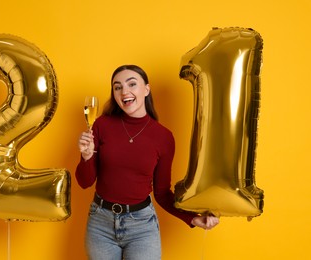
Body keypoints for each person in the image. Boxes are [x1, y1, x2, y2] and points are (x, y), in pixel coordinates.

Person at [76, 64, 219, 260]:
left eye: (132, 84)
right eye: (117, 87)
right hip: (100, 223)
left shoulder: (163, 137)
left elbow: (161, 193)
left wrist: (192, 218)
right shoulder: (101, 124)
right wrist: (86, 157)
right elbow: (85, 183)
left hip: (141, 226)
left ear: (146, 89)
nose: (124, 91)